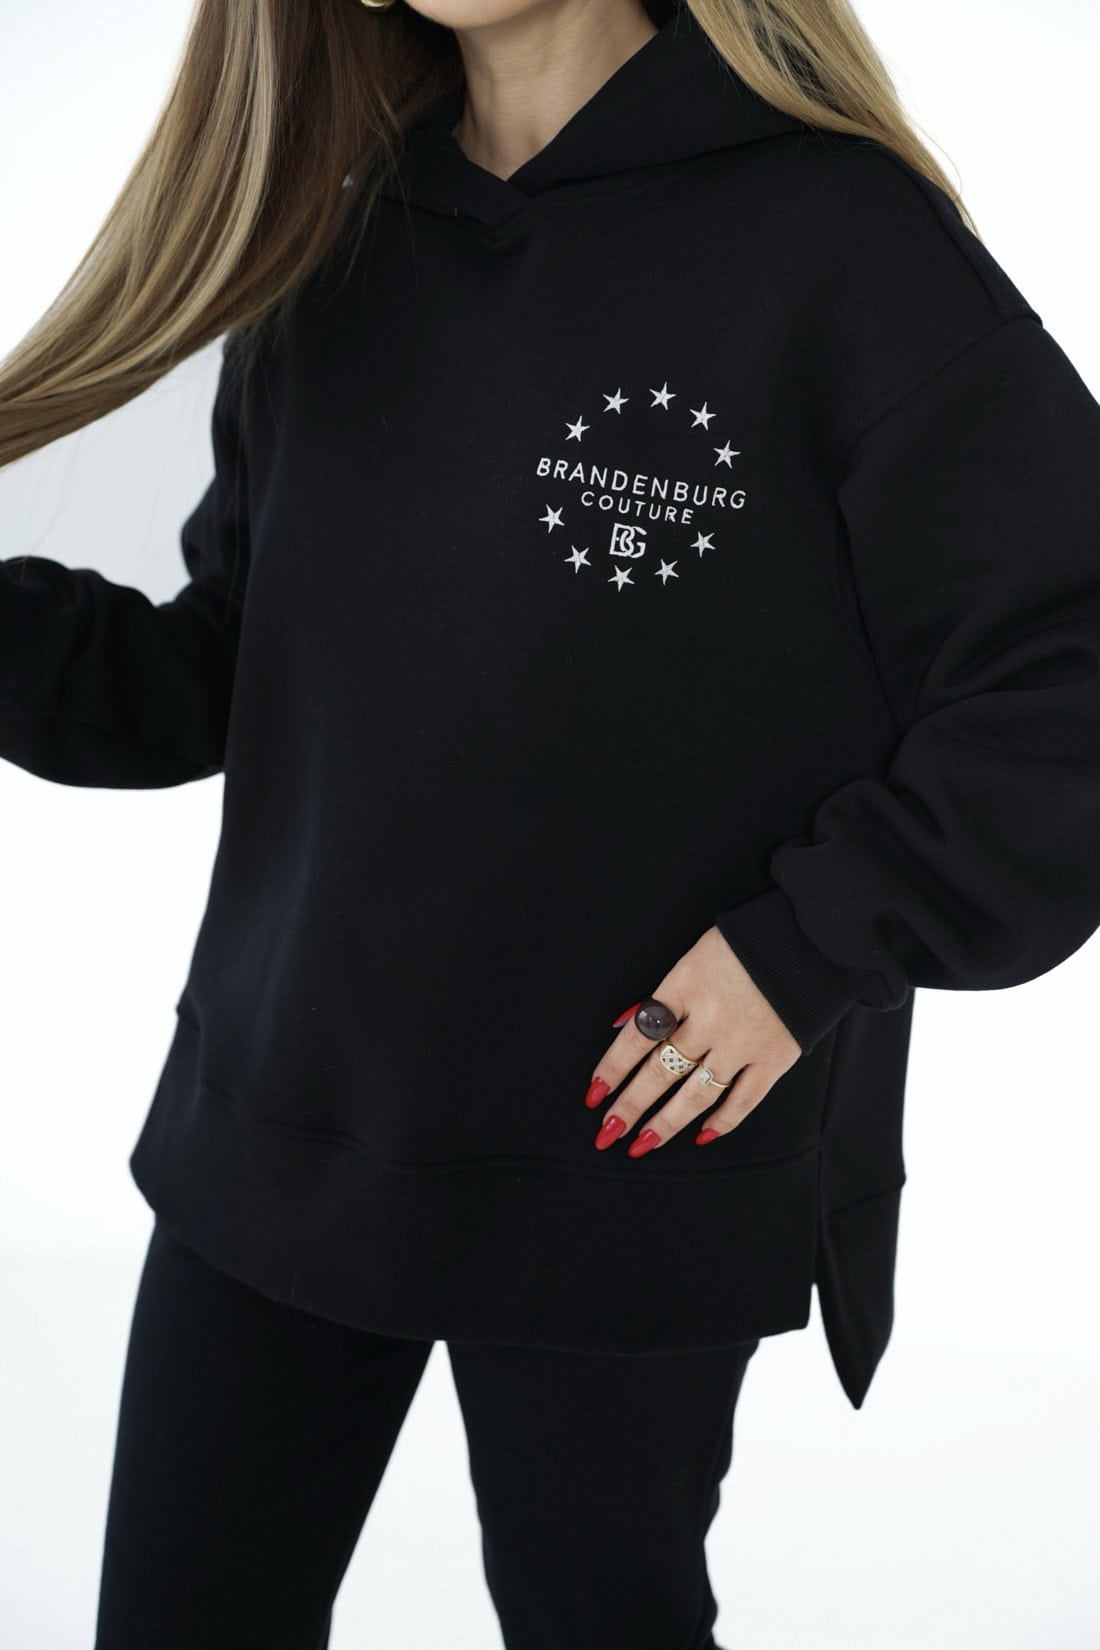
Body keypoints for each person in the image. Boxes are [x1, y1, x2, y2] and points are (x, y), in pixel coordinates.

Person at [2, 0, 1099, 1645]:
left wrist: (807, 949)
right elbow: (225, 671)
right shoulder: (329, 245)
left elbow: (1065, 670)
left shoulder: (840, 241)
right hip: (286, 1128)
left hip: (628, 1147)